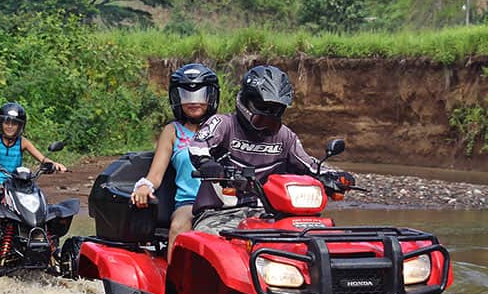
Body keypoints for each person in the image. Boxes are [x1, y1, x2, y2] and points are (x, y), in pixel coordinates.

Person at [188, 64, 355, 233]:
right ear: (246, 101)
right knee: (212, 242)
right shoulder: (223, 124)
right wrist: (207, 163)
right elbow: (198, 147)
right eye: (263, 107)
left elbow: (310, 166)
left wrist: (337, 178)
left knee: (318, 238)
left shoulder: (285, 136)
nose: (269, 114)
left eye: (275, 110)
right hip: (220, 214)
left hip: (269, 213)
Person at [131, 63, 220, 262]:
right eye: (187, 96)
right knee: (179, 226)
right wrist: (144, 186)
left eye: (200, 95)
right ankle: (175, 288)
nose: (193, 102)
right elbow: (155, 175)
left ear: (211, 97)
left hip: (224, 203)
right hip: (190, 204)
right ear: (177, 99)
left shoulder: (225, 127)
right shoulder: (172, 131)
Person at [0, 102, 67, 203]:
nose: (10, 126)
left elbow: (42, 159)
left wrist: (54, 164)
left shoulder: (23, 142)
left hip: (14, 182)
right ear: (1, 123)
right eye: (6, 122)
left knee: (33, 200)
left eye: (14, 123)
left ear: (20, 126)